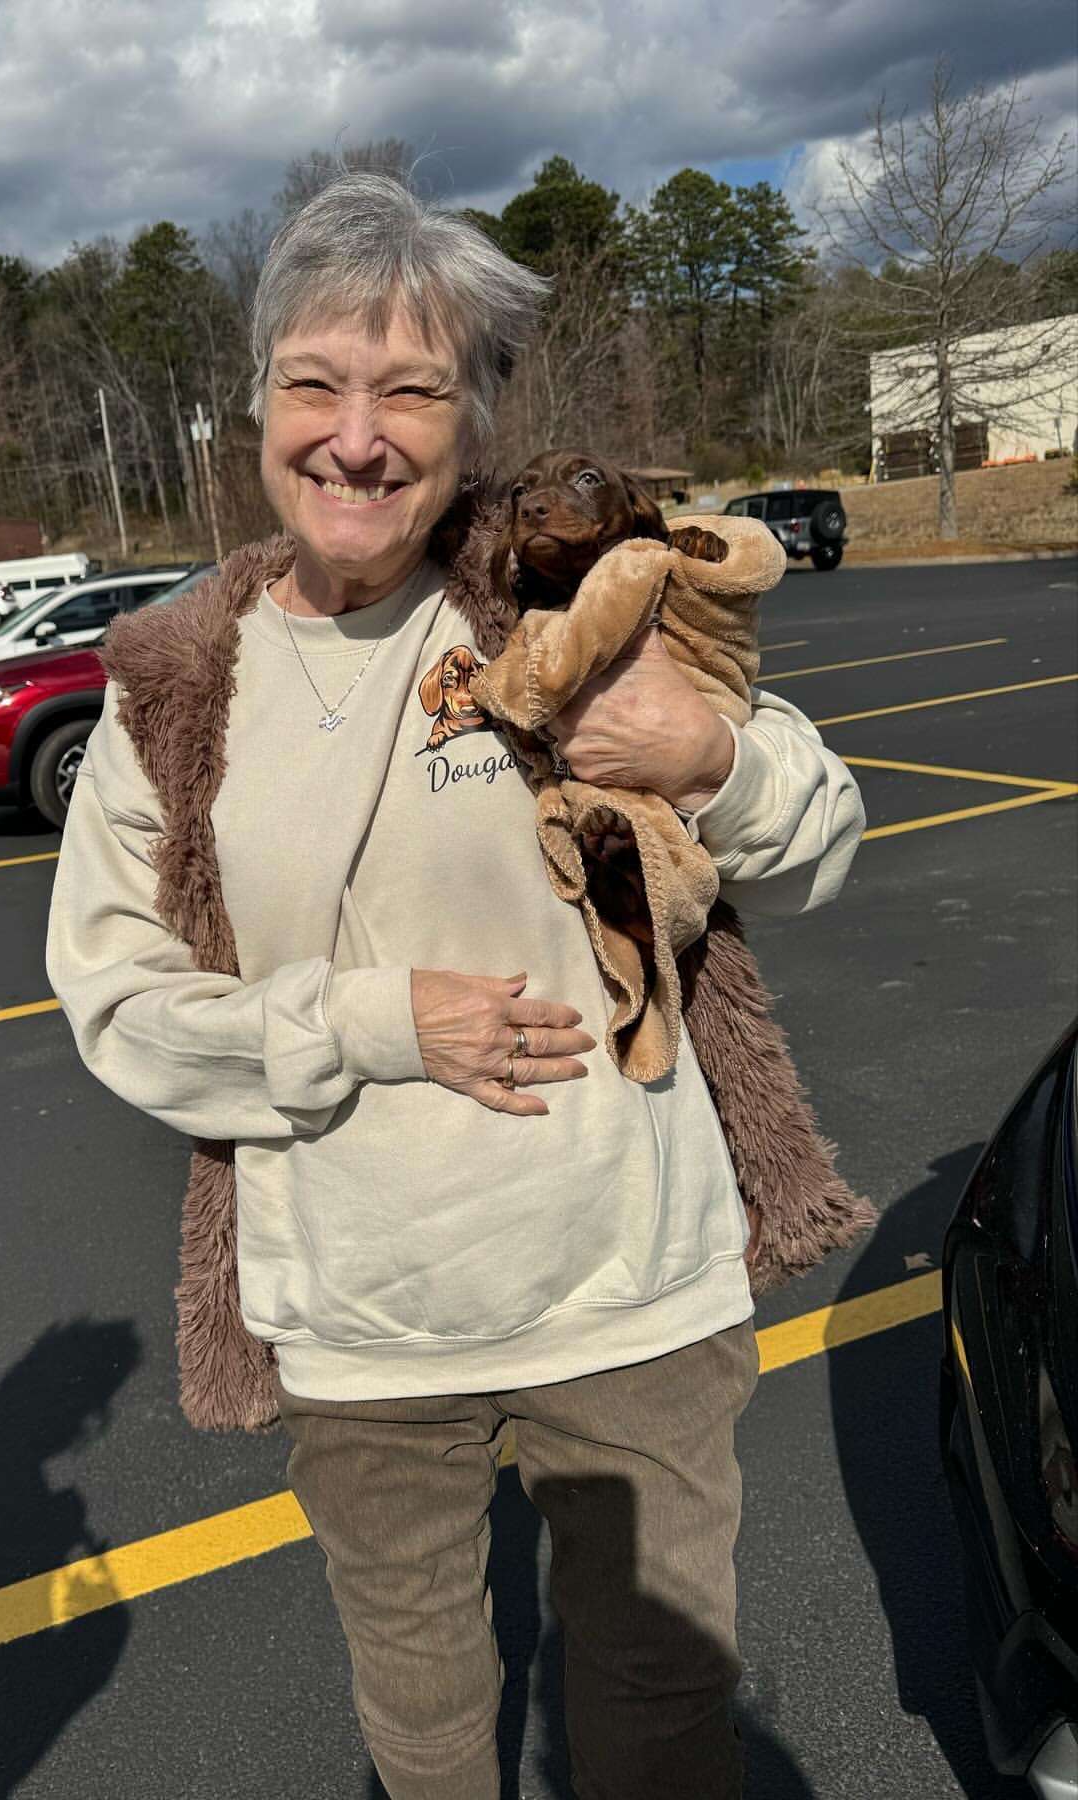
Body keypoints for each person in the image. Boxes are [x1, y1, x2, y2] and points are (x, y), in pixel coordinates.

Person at [46, 173, 865, 1800]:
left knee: (656, 1743)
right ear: (258, 399)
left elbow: (820, 830)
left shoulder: (571, 594)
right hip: (362, 1338)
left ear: (472, 414)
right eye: (318, 384)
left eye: (412, 388)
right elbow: (119, 1005)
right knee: (426, 1749)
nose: (359, 437)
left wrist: (709, 757)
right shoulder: (172, 684)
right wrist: (370, 1022)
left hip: (631, 1298)